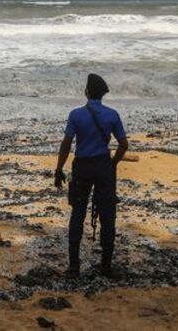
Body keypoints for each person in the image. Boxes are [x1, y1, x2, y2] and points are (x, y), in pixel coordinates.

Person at [54, 73, 128, 278]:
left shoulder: (76, 115)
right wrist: (113, 164)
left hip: (82, 167)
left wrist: (59, 169)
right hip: (103, 166)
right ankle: (106, 266)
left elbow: (66, 144)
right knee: (107, 215)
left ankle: (73, 267)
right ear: (102, 94)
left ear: (86, 92)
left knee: (77, 214)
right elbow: (123, 144)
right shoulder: (112, 115)